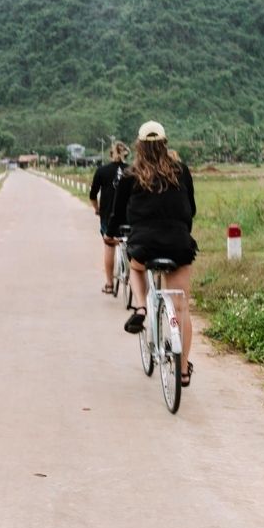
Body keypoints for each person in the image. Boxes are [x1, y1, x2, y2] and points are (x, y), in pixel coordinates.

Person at [107, 121, 197, 387]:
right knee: (181, 308)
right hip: (178, 242)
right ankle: (182, 371)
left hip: (144, 243)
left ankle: (142, 306)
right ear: (165, 144)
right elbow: (190, 208)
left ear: (139, 146)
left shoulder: (131, 174)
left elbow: (117, 213)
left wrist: (111, 233)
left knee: (135, 267)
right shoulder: (181, 171)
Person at [88, 141, 129, 294]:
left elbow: (93, 195)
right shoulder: (132, 170)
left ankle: (109, 284)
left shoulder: (102, 171)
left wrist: (97, 209)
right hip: (128, 216)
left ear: (110, 154)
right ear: (126, 154)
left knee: (109, 245)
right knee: (131, 243)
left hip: (108, 215)